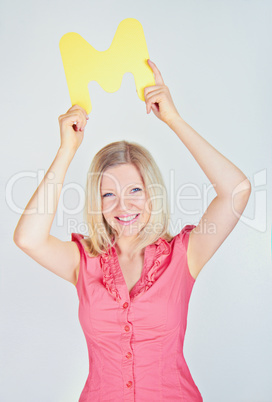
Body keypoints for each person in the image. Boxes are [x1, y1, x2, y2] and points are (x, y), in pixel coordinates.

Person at [13, 59, 251, 401]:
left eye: (135, 191)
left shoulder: (185, 255)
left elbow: (237, 190)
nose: (123, 206)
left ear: (152, 192)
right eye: (108, 194)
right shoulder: (84, 261)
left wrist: (173, 119)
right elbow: (28, 238)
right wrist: (67, 149)